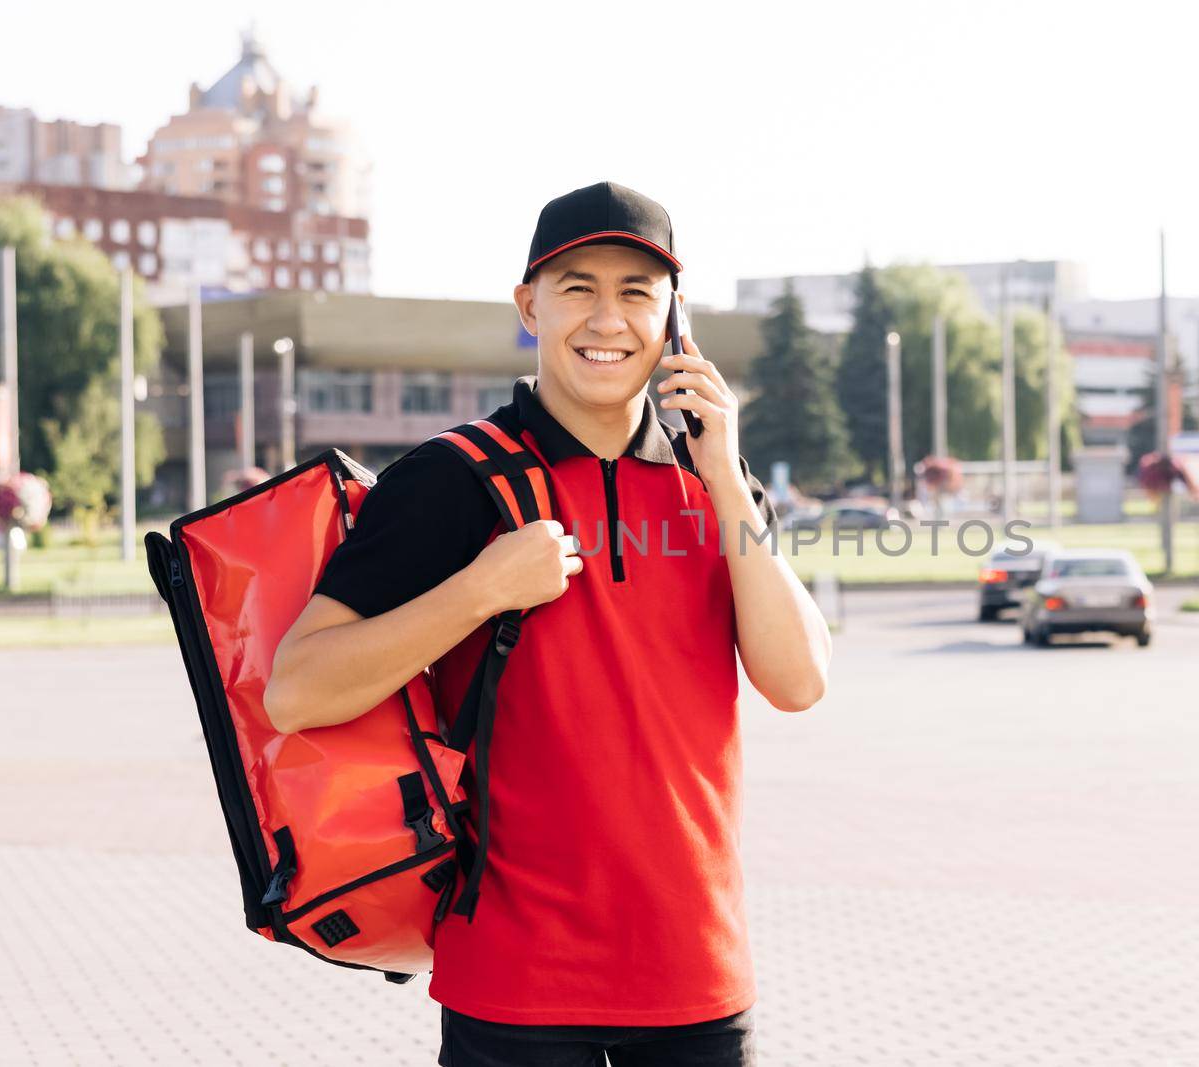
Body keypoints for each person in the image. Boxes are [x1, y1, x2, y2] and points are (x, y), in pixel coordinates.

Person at [263, 181, 831, 1066]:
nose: (609, 318)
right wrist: (481, 589)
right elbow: (296, 689)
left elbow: (799, 683)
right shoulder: (452, 478)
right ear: (530, 305)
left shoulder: (714, 480)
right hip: (515, 987)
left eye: (637, 291)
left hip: (697, 976)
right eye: (579, 287)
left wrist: (725, 478)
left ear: (673, 317)